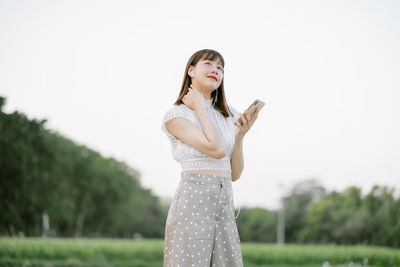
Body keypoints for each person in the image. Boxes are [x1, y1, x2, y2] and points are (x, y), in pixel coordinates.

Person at [161, 49, 259, 267]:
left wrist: (239, 137)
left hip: (224, 202)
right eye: (209, 64)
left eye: (220, 68)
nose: (216, 70)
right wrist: (199, 106)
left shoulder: (229, 114)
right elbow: (215, 149)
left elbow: (234, 173)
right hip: (193, 199)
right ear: (191, 70)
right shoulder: (176, 115)